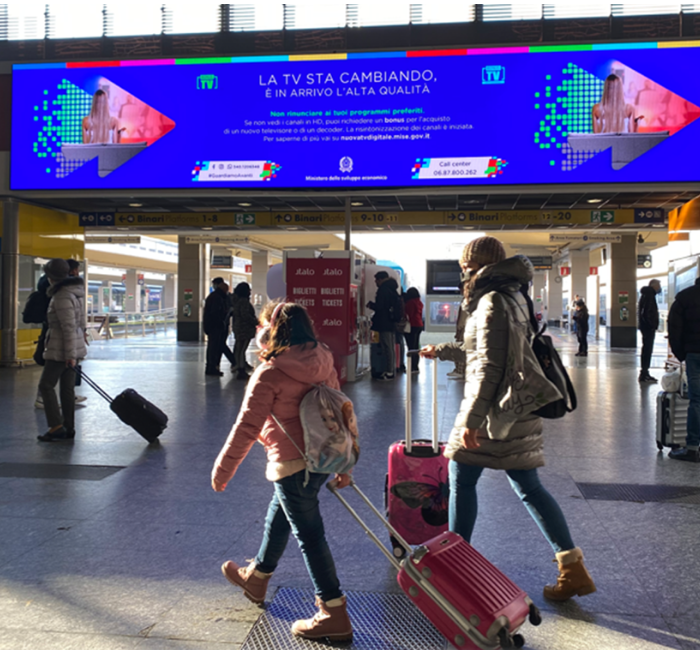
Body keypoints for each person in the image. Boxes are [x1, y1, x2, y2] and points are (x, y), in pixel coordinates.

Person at [421, 236, 596, 601]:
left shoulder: (491, 301)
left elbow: (489, 365)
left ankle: (456, 567)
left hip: (495, 412)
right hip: (516, 407)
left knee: (461, 478)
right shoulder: (513, 294)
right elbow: (489, 350)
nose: (463, 271)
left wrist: (472, 419)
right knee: (528, 486)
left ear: (479, 265)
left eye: (467, 265)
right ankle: (572, 567)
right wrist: (443, 351)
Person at [211, 301, 353, 641]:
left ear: (270, 332)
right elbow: (339, 411)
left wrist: (223, 469)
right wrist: (343, 462)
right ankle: (257, 578)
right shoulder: (324, 358)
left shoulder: (270, 372)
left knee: (310, 535)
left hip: (292, 463)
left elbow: (247, 426)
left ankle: (333, 611)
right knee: (281, 514)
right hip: (321, 459)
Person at [37, 258, 88, 442]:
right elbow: (80, 322)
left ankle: (56, 426)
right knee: (67, 389)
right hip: (72, 347)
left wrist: (70, 355)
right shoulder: (75, 292)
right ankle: (68, 427)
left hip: (61, 349)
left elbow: (67, 327)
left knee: (46, 385)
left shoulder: (62, 296)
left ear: (51, 277)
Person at [667, 278, 700, 462]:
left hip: (694, 354)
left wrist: (681, 354)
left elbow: (674, 328)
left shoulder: (685, 297)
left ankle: (692, 448)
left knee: (697, 401)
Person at [367, 271, 401, 381]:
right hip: (390, 322)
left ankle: (389, 371)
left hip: (384, 323)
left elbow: (380, 306)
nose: (375, 282)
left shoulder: (383, 290)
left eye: (376, 280)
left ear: (381, 279)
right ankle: (391, 370)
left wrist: (371, 305)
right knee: (390, 346)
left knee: (387, 347)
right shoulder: (392, 289)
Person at [203, 278, 236, 377]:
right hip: (216, 326)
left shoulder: (216, 296)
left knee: (216, 346)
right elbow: (216, 313)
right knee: (215, 347)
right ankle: (213, 367)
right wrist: (222, 321)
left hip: (215, 326)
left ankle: (213, 367)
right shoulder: (218, 298)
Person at [231, 282, 259, 380]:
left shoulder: (236, 301)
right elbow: (246, 315)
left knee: (239, 349)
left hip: (238, 327)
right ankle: (241, 369)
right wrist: (256, 322)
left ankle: (239, 366)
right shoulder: (244, 302)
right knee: (242, 349)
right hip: (245, 328)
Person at [638, 279, 661, 383]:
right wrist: (652, 325)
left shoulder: (645, 295)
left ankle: (644, 372)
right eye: (658, 285)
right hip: (648, 328)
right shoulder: (649, 295)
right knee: (647, 349)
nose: (659, 287)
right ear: (654, 286)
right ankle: (644, 373)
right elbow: (646, 312)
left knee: (646, 349)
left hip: (645, 327)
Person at [447, 283, 468, 380]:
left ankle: (459, 370)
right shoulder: (471, 300)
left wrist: (459, 329)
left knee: (460, 349)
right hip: (467, 328)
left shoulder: (466, 301)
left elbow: (462, 317)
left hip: (464, 328)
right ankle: (462, 370)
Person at [403, 288, 424, 374]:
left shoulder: (410, 302)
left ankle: (412, 367)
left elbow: (409, 314)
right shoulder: (419, 302)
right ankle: (415, 366)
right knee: (415, 347)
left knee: (411, 347)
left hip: (412, 325)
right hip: (419, 325)